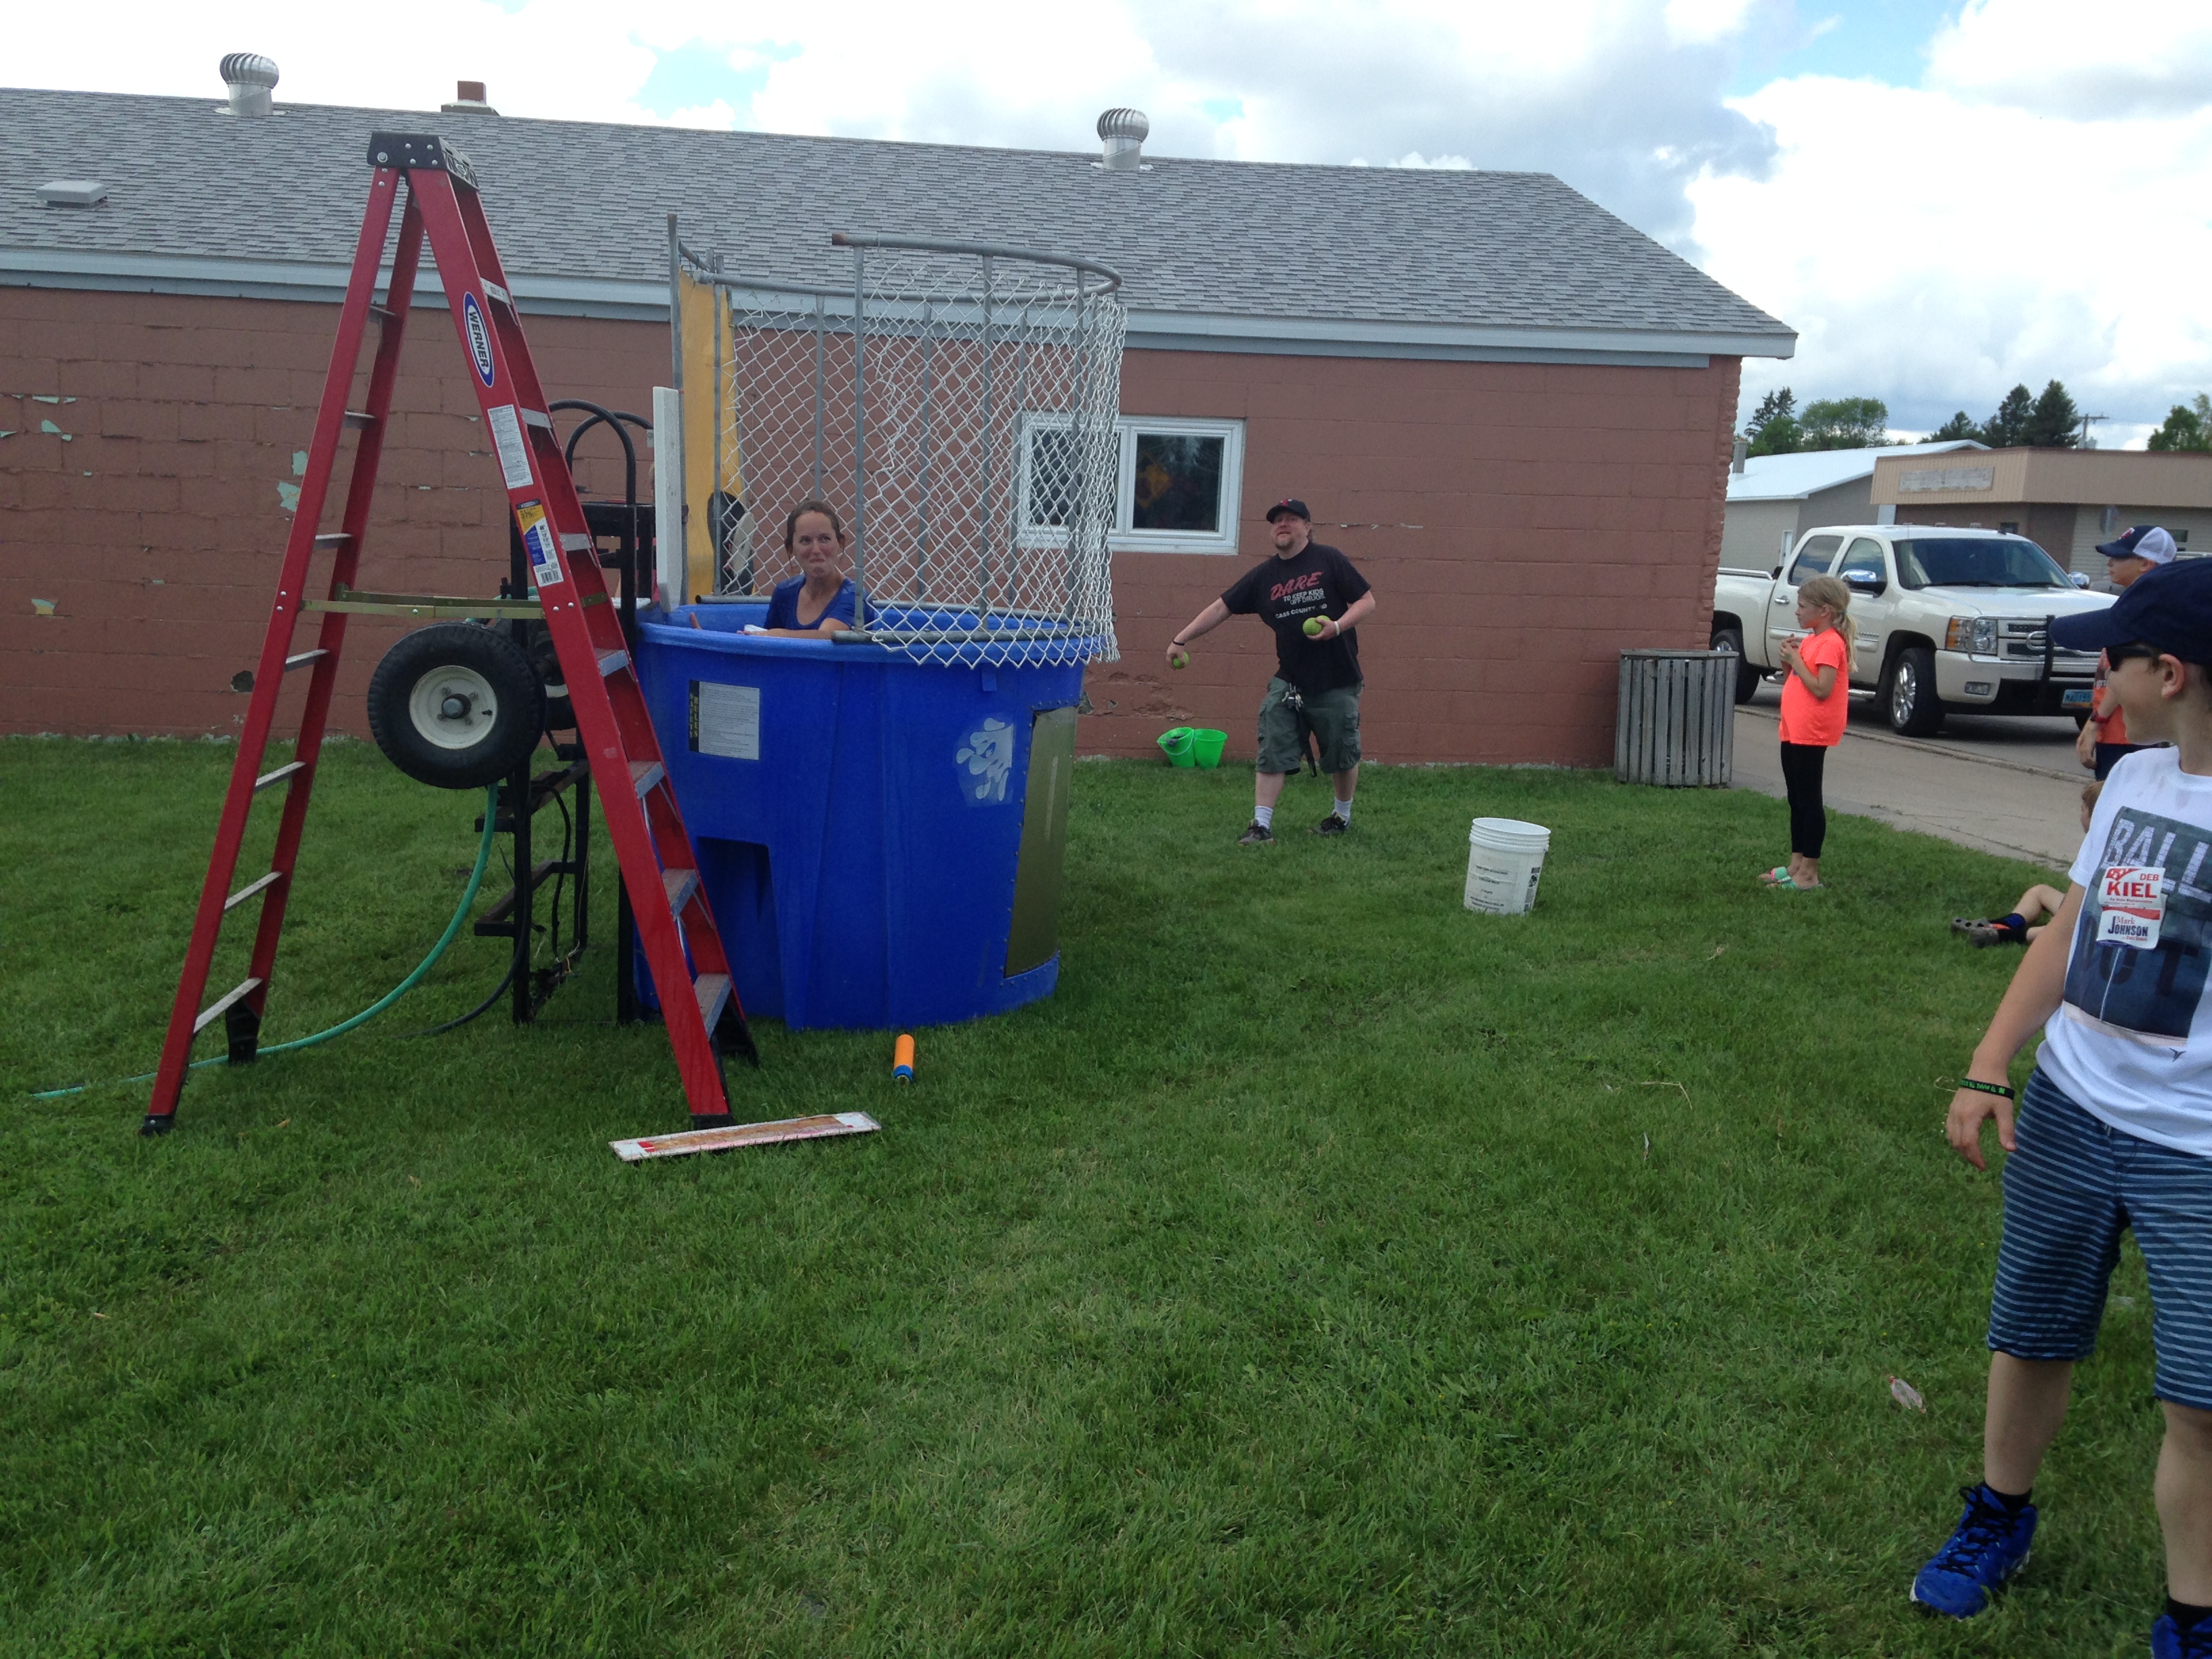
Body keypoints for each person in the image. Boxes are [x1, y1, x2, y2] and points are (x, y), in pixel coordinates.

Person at [1916, 558, 2212, 1654]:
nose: (2103, 667)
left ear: (2166, 672)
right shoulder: (2131, 783)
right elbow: (2064, 933)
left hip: (2195, 1150)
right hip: (2071, 1110)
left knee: (2199, 1401)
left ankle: (2192, 1615)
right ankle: (1996, 1514)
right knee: (2030, 1330)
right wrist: (1990, 1056)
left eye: (2116, 652)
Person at [1165, 499, 1377, 844]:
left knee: (1341, 753)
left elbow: (1367, 601)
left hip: (1337, 678)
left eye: (1292, 519)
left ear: (1307, 526)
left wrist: (1336, 627)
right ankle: (1260, 826)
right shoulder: (1265, 576)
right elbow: (1222, 607)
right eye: (1277, 520)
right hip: (1289, 679)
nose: (1283, 524)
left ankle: (1341, 816)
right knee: (1272, 747)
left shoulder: (1330, 560)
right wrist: (1181, 639)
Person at [1760, 573, 1853, 890]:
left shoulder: (1831, 644)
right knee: (1795, 798)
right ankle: (1796, 863)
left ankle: (1809, 874)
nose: (1797, 612)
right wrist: (1789, 661)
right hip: (1793, 728)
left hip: (1812, 731)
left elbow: (1822, 689)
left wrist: (1796, 660)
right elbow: (1797, 682)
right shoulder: (1813, 639)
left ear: (1824, 610)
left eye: (1802, 606)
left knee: (1809, 799)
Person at [2077, 526, 2177, 779]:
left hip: (2131, 732)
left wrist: (2095, 722)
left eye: (2120, 557)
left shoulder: (2149, 607)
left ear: (2145, 563)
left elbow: (2130, 670)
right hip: (2123, 729)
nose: (2110, 562)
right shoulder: (2140, 601)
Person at [1953, 785, 2102, 945]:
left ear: (2095, 816)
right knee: (2040, 892)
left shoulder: (2100, 850)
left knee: (2068, 928)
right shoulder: (2093, 843)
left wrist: (2066, 914)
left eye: (2083, 810)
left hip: (2097, 920)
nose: (2080, 815)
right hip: (2083, 907)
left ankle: (2008, 935)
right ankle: (2002, 925)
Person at [752, 501, 859, 637]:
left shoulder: (855, 596)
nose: (816, 549)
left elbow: (828, 637)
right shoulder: (785, 593)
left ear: (840, 543)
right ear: (791, 549)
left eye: (824, 539)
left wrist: (779, 634)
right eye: (805, 541)